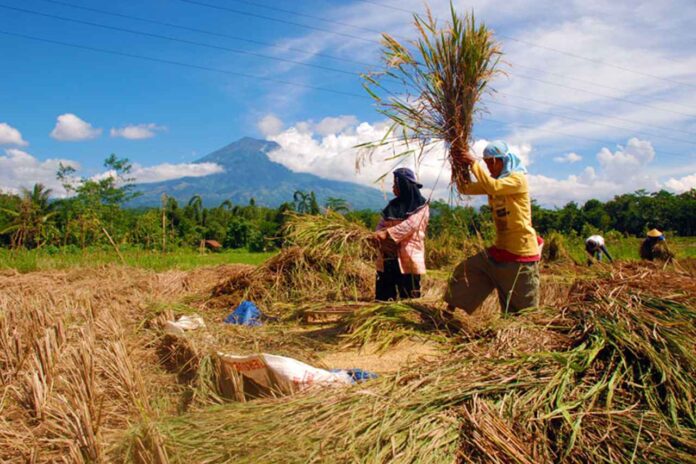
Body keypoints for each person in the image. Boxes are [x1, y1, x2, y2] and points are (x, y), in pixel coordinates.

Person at [444, 140, 542, 315]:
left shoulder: (517, 180)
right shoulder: (494, 181)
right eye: (486, 162)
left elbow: (493, 187)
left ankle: (518, 337)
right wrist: (460, 166)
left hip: (521, 251)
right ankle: (449, 313)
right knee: (468, 269)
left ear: (503, 160)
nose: (489, 167)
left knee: (521, 311)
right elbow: (464, 188)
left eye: (492, 162)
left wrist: (474, 163)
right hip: (501, 249)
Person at [373, 167, 430, 301]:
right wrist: (376, 234)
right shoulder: (392, 206)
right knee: (384, 296)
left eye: (395, 184)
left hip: (408, 256)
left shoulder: (421, 206)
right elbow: (382, 223)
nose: (393, 188)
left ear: (403, 185)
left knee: (409, 297)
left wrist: (387, 233)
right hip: (388, 256)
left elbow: (411, 225)